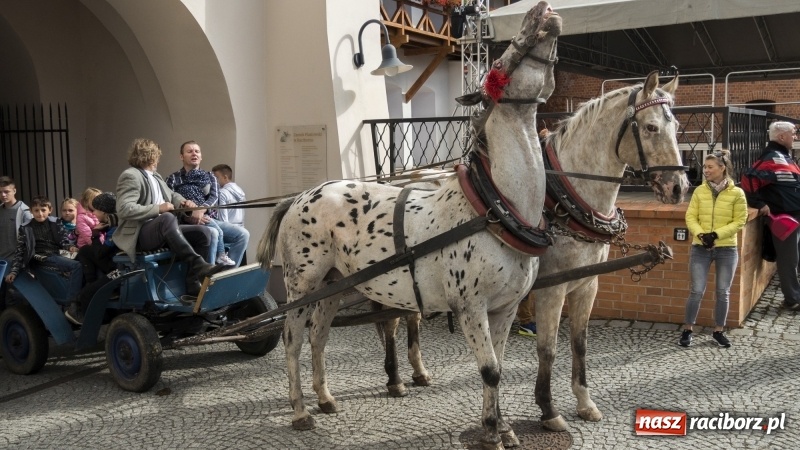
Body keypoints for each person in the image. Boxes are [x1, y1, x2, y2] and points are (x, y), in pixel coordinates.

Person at [115, 138, 227, 298]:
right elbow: (124, 209)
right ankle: (199, 265)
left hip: (162, 229)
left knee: (204, 233)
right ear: (151, 156)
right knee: (167, 218)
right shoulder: (131, 175)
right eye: (157, 156)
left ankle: (193, 283)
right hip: (140, 234)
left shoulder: (156, 176)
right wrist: (158, 208)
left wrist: (184, 202)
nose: (158, 160)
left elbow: (172, 195)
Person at [680, 150, 748, 348]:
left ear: (722, 168)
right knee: (696, 290)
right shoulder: (700, 191)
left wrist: (716, 235)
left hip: (726, 249)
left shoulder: (737, 193)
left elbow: (740, 221)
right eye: (705, 167)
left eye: (710, 167)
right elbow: (691, 217)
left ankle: (719, 330)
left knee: (723, 291)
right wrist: (701, 235)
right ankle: (687, 329)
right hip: (700, 248)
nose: (706, 170)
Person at [741, 121, 800, 311]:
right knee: (788, 259)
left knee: (794, 258)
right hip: (785, 220)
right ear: (782, 137)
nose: (796, 137)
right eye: (794, 133)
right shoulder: (772, 157)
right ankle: (793, 299)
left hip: (794, 215)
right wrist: (759, 204)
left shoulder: (784, 157)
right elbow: (748, 178)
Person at [166, 141, 249, 267]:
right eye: (189, 151)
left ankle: (227, 273)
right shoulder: (173, 178)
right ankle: (208, 276)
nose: (194, 154)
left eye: (197, 151)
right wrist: (188, 215)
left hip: (208, 217)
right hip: (184, 220)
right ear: (181, 156)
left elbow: (214, 197)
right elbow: (171, 199)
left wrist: (200, 211)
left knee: (243, 234)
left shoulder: (210, 176)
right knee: (213, 233)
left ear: (201, 156)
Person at [3, 195, 84, 304]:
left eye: (43, 210)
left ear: (50, 210)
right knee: (76, 266)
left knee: (84, 259)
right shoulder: (25, 227)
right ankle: (72, 302)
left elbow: (64, 241)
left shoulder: (56, 222)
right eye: (36, 210)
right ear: (31, 211)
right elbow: (20, 251)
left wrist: (70, 247)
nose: (40, 213)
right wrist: (14, 271)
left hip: (57, 254)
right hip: (41, 258)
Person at [67, 192, 120, 325]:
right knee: (84, 250)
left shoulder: (114, 230)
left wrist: (95, 234)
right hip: (116, 266)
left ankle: (89, 327)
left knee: (86, 295)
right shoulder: (114, 225)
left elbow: (100, 253)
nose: (93, 213)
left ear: (104, 212)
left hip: (119, 271)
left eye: (95, 210)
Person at [0, 176, 32, 309]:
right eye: (0, 192)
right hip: (1, 262)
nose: (3, 195)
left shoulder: (24, 212)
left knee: (13, 300)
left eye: (6, 191)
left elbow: (29, 242)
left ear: (14, 191)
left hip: (15, 263)